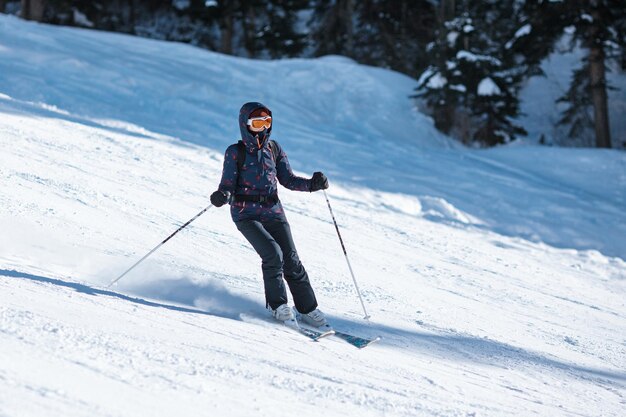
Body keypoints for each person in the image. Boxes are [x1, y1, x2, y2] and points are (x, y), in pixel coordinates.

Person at [210, 102, 329, 327]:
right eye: (257, 123)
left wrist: (313, 185)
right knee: (273, 254)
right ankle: (278, 306)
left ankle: (307, 309)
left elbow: (288, 180)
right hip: (246, 215)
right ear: (246, 125)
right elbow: (227, 184)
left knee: (291, 260)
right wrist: (222, 196)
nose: (263, 128)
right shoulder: (236, 152)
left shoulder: (274, 149)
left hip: (274, 212)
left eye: (267, 122)